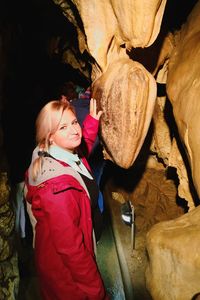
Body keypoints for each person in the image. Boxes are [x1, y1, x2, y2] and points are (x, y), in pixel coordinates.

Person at [24, 98, 109, 300]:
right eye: (63, 127)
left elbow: (80, 149)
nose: (74, 130)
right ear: (50, 137)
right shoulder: (58, 189)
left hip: (62, 258)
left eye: (74, 122)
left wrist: (91, 123)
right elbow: (72, 250)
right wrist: (96, 290)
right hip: (67, 276)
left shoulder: (54, 153)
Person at [59, 81, 106, 213]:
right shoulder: (90, 107)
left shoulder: (71, 111)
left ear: (64, 98)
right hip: (97, 153)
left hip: (85, 157)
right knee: (96, 184)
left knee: (86, 188)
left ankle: (93, 215)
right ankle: (98, 215)